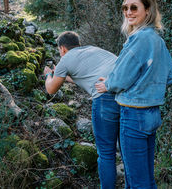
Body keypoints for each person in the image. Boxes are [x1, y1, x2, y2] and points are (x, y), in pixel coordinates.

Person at [95, 0, 172, 189]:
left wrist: (107, 84)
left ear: (148, 11)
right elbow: (171, 75)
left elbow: (120, 79)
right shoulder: (157, 40)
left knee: (137, 181)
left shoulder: (138, 39)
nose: (128, 12)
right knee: (146, 179)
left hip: (134, 116)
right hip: (152, 114)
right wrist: (148, 85)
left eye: (134, 7)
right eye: (125, 7)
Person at [43, 31, 120, 189]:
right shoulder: (93, 50)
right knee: (126, 148)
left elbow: (51, 89)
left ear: (62, 49)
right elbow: (83, 75)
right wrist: (61, 74)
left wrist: (48, 76)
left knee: (106, 153)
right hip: (125, 94)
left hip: (104, 99)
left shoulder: (66, 59)